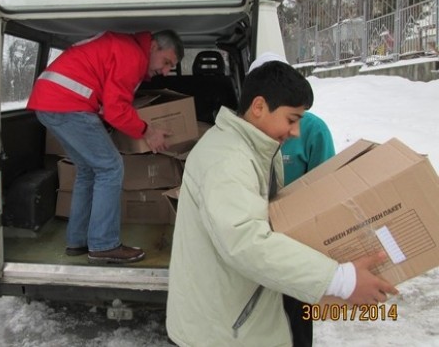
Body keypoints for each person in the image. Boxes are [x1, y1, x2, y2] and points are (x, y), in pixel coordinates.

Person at [166, 60, 398, 346]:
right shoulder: (228, 161)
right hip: (224, 333)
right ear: (259, 106)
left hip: (235, 316)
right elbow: (247, 242)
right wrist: (339, 280)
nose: (296, 132)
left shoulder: (251, 147)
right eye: (292, 119)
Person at [27, 30, 184, 264]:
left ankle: (77, 240)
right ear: (153, 47)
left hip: (50, 102)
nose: (165, 71)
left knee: (89, 170)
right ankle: (104, 245)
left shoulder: (124, 50)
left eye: (170, 67)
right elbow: (116, 110)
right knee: (110, 167)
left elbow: (108, 103)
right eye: (166, 62)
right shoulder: (132, 55)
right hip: (67, 104)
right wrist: (148, 132)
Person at [250, 52, 336, 347]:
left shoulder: (312, 130)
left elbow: (325, 187)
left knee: (296, 318)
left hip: (296, 241)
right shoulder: (243, 131)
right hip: (255, 240)